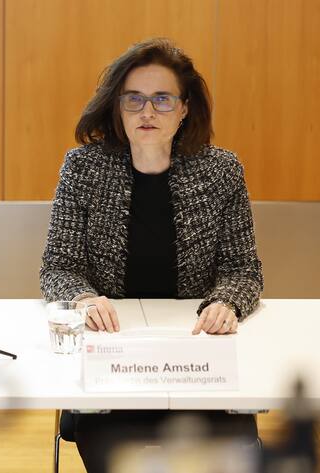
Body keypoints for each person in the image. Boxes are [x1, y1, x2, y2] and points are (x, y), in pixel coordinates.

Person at [40, 38, 263, 472]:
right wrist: (84, 299)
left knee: (233, 444)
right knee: (109, 449)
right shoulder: (83, 168)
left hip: (199, 355)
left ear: (184, 109)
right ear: (117, 109)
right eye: (134, 100)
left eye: (162, 99)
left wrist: (226, 303)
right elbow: (58, 266)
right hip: (114, 356)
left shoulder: (221, 171)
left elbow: (243, 268)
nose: (147, 112)